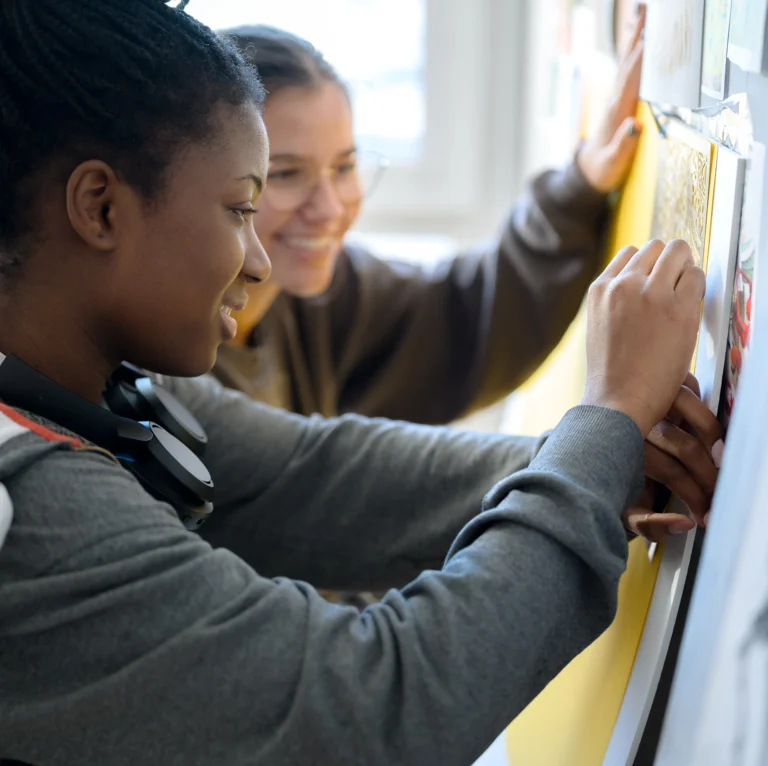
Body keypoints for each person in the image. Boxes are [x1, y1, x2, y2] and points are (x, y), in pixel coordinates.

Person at [0, 2, 717, 765]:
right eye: (241, 206)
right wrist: (606, 417)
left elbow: (314, 476)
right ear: (99, 206)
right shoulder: (28, 510)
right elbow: (380, 705)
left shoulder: (93, 386)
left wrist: (605, 457)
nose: (259, 261)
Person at [212, 17, 646, 425]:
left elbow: (469, 313)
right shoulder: (171, 376)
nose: (329, 208)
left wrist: (581, 185)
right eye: (286, 173)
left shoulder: (324, 296)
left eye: (344, 167)